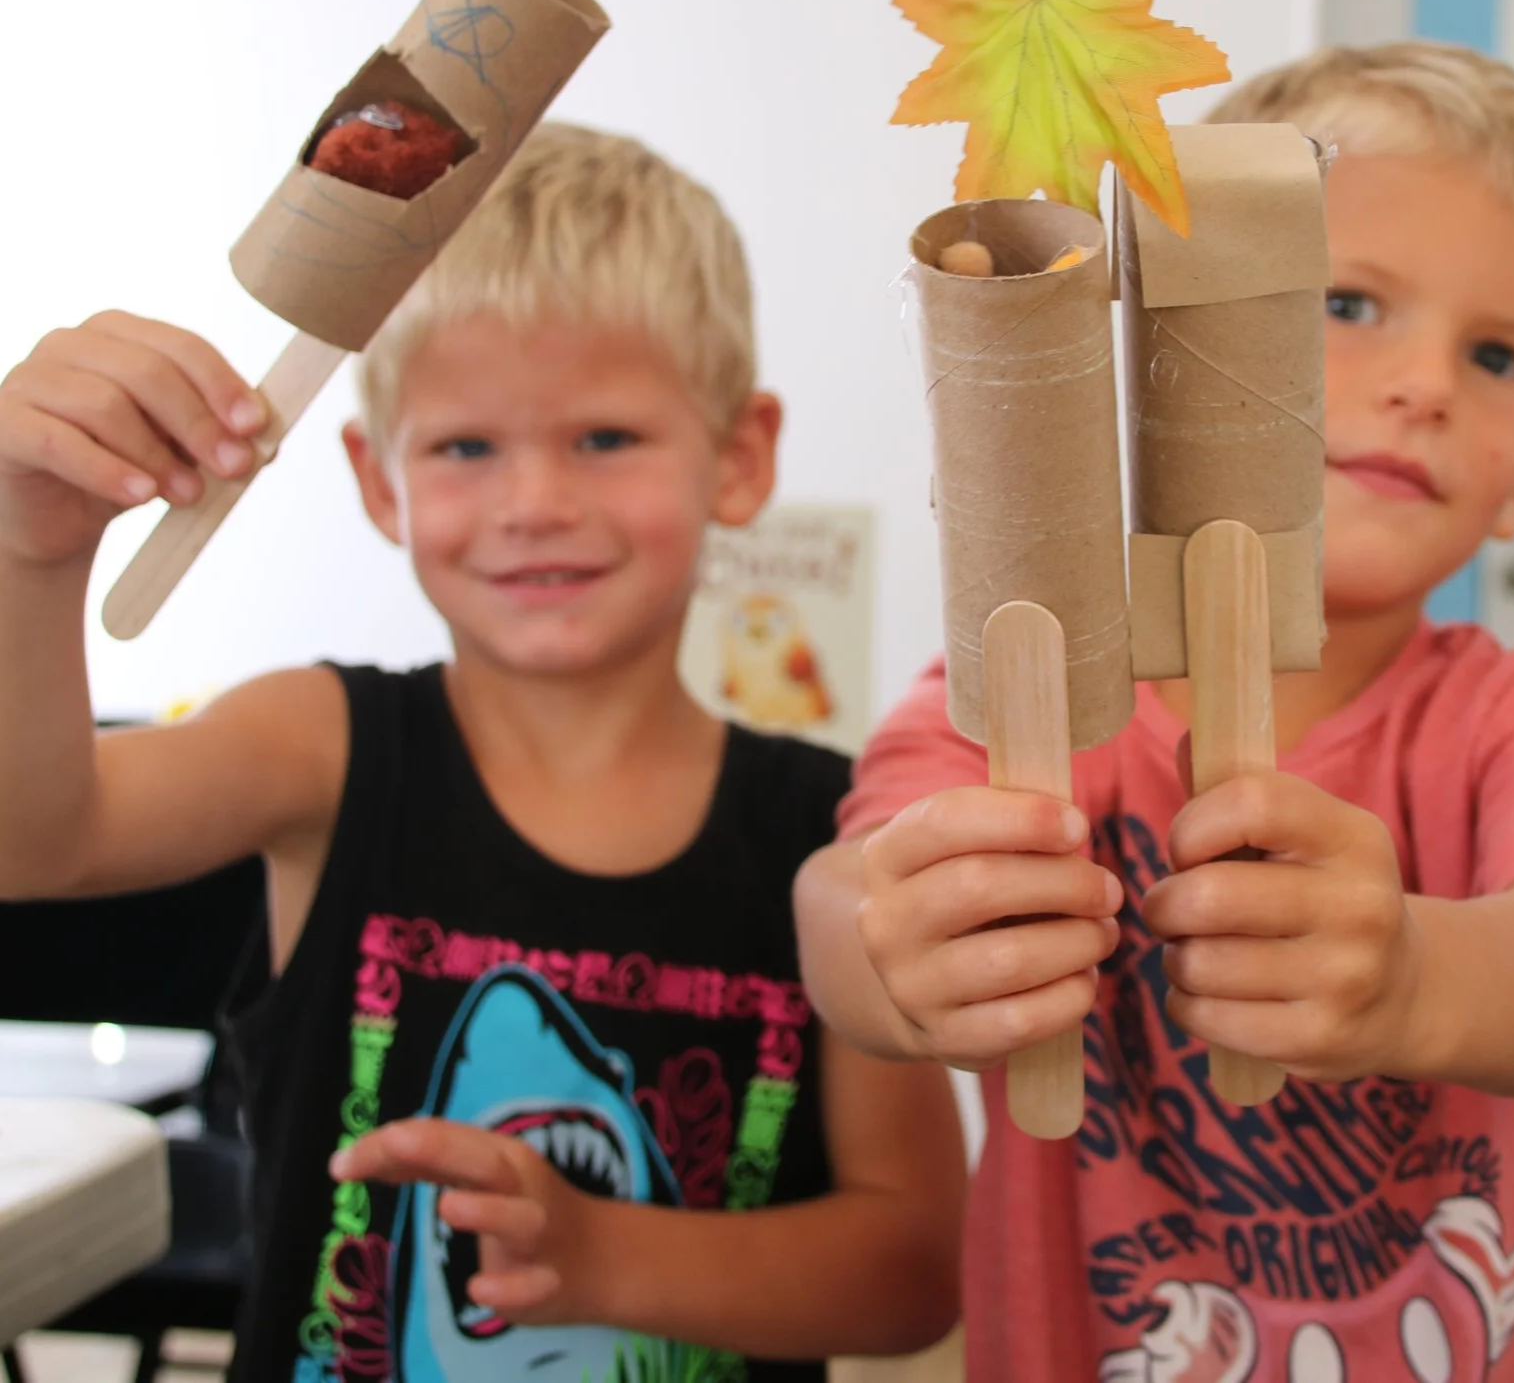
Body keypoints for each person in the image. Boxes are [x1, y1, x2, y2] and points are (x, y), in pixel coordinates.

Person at [0, 124, 964, 1383]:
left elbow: (910, 1267)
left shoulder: (835, 835)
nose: (534, 504)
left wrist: (604, 1255)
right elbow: (36, 841)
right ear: (379, 479)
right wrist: (32, 552)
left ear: (738, 456)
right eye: (467, 446)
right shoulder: (319, 745)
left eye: (603, 438)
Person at [792, 41, 1514, 1381]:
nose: (1423, 380)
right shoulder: (1010, 701)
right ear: (1166, 344)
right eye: (1347, 301)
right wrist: (895, 944)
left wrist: (1415, 978)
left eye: (1494, 353)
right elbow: (842, 900)